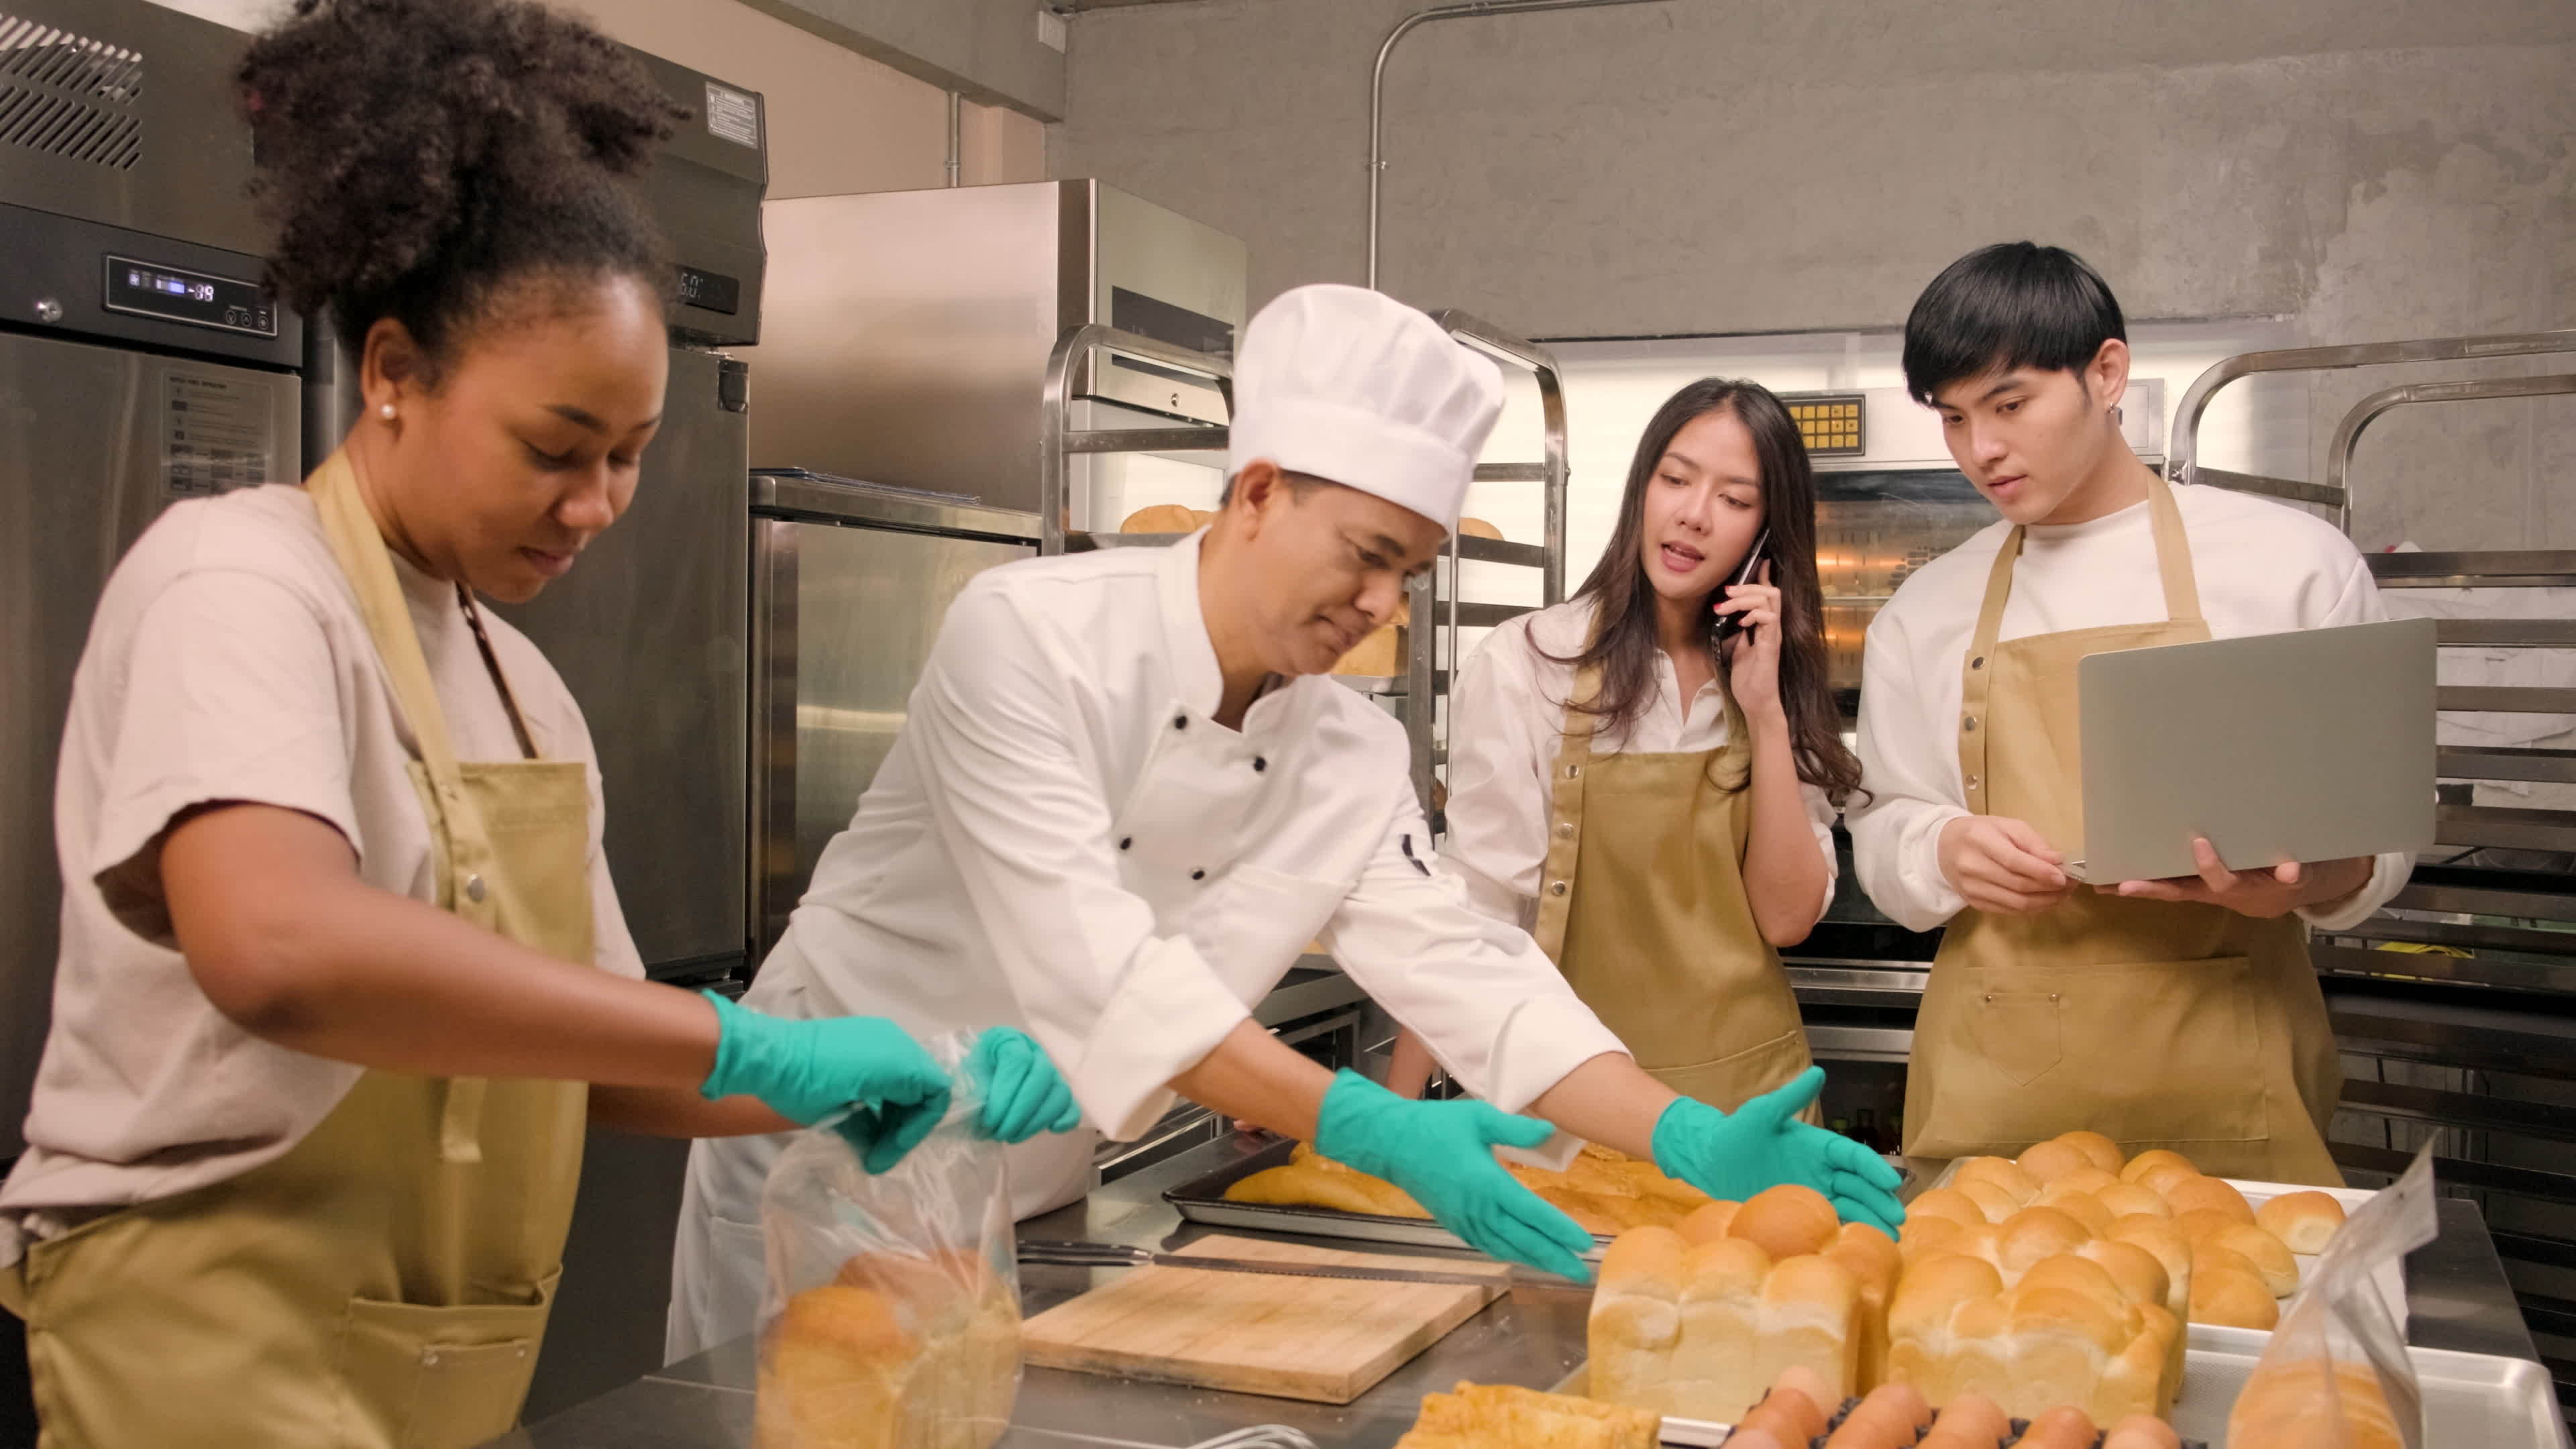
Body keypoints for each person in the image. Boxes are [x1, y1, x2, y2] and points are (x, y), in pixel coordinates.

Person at [0, 3, 1073, 1445]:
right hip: (218, 1328)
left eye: (630, 456)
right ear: (393, 371)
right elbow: (276, 946)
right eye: (555, 448)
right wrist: (745, 1048)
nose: (598, 505)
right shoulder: (244, 580)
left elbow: (606, 1057)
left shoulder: (525, 688)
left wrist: (887, 1066)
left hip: (447, 1355)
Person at [668, 284, 1905, 1358]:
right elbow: (1104, 974)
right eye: (1366, 553)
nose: (1381, 604)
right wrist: (1369, 1124)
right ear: (1256, 491)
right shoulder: (1031, 635)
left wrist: (1681, 1136)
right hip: (817, 1151)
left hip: (1035, 1174)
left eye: (1409, 572)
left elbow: (1475, 970)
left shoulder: (1347, 748)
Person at [1846, 242, 2411, 1183]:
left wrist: (2302, 882)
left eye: (2010, 405)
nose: (1981, 450)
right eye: (1954, 418)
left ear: (2107, 374)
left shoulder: (2291, 565)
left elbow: (2377, 834)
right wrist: (1942, 848)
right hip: (2001, 1085)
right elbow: (1883, 832)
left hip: (2232, 1069)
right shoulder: (1927, 607)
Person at [1418, 378, 1858, 1112]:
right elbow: (1476, 919)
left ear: (1766, 537)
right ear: (1641, 489)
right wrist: (1394, 1117)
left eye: (1735, 499)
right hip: (1580, 1107)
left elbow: (1787, 920)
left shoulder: (1770, 678)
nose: (1694, 514)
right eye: (1676, 480)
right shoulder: (1528, 663)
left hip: (1756, 1108)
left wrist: (1765, 713)